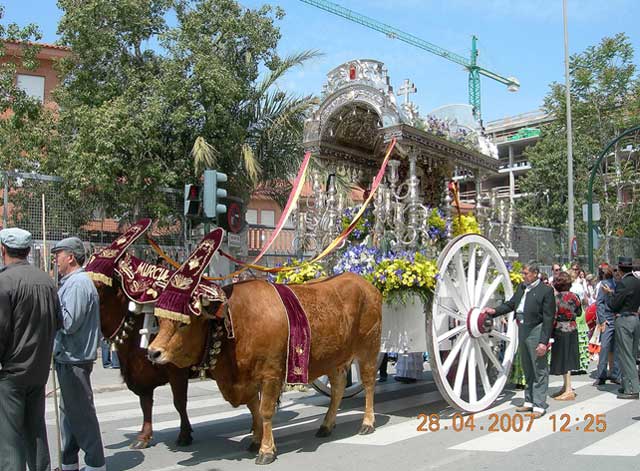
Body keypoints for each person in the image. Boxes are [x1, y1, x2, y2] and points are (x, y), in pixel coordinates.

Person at [0, 228, 61, 471]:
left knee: (9, 439)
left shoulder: (4, 282)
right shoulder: (47, 281)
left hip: (12, 371)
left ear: (3, 249)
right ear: (27, 251)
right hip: (38, 368)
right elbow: (58, 323)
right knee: (35, 429)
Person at [52, 237, 107, 471]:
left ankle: (95, 464)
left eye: (59, 254)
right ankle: (69, 462)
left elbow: (69, 322)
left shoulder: (77, 284)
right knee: (70, 415)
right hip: (69, 357)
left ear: (71, 257)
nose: (55, 259)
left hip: (74, 357)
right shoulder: (72, 282)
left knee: (81, 414)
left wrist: (50, 310)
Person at [481, 261, 555, 418]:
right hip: (522, 328)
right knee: (527, 366)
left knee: (538, 367)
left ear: (535, 274)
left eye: (526, 273)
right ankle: (529, 401)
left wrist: (543, 341)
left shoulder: (545, 291)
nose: (523, 276)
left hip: (536, 329)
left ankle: (539, 405)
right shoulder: (522, 288)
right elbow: (511, 304)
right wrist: (494, 311)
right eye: (523, 273)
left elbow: (549, 318)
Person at [607, 257, 640, 400]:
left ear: (620, 270)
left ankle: (632, 388)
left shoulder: (622, 283)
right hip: (635, 317)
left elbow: (614, 304)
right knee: (631, 354)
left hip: (624, 319)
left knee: (626, 356)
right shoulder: (637, 282)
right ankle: (628, 384)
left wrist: (610, 294)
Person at [549, 272, 581, 400]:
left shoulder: (555, 299)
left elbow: (552, 315)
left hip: (560, 330)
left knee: (563, 359)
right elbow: (579, 313)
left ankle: (568, 390)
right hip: (572, 329)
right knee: (568, 357)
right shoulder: (575, 297)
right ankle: (565, 386)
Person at [594, 265, 620, 385]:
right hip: (608, 318)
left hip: (618, 317)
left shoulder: (621, 283)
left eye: (617, 270)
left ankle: (616, 374)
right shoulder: (604, 284)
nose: (616, 273)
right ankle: (601, 375)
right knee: (604, 347)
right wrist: (602, 320)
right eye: (614, 271)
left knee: (617, 348)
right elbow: (599, 303)